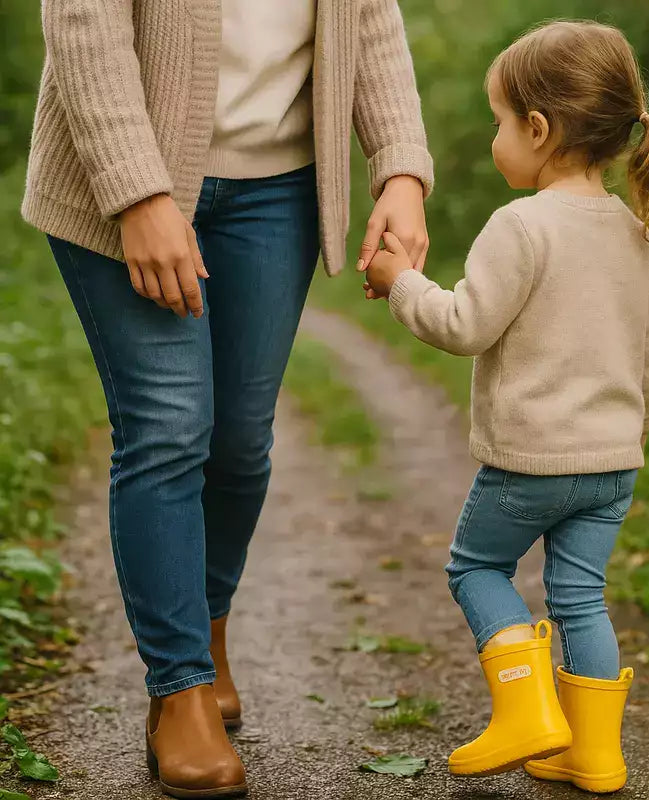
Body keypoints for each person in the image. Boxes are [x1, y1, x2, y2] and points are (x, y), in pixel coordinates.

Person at [22, 1, 432, 797]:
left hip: (277, 191)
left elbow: (370, 17)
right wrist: (137, 193)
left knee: (241, 440)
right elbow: (82, 20)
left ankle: (206, 638)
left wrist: (402, 166)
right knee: (171, 426)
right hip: (128, 177)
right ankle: (179, 690)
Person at [363, 19, 649, 793]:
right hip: (612, 461)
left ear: (539, 129)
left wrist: (399, 282)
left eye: (500, 123)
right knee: (581, 598)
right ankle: (596, 753)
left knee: (477, 566)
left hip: (529, 460)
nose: (495, 139)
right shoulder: (639, 235)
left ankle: (527, 714)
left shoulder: (521, 226)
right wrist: (626, 437)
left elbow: (464, 325)